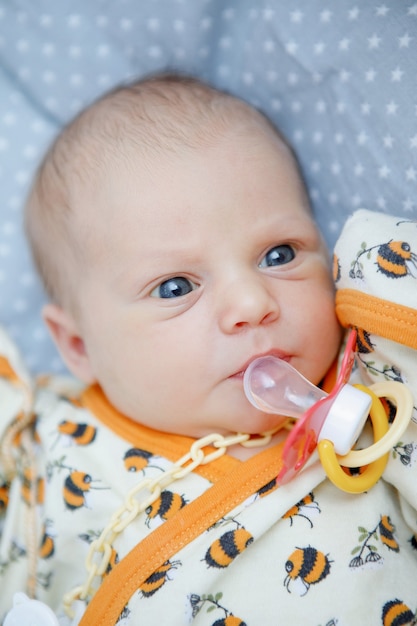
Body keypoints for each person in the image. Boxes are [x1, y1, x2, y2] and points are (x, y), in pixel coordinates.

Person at [0, 74, 416, 626]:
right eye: (175, 287)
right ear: (79, 345)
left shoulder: (379, 412)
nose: (252, 300)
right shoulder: (33, 442)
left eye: (280, 254)